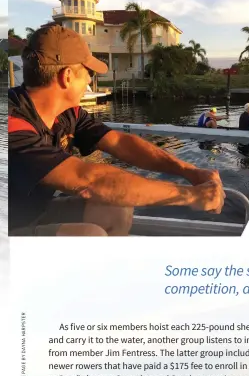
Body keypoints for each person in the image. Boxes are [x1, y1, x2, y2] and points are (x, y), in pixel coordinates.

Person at [8, 25, 225, 237]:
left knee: (117, 208)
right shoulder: (13, 123)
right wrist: (190, 196)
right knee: (89, 236)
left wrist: (188, 171)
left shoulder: (68, 113)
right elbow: (89, 180)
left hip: (36, 211)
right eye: (88, 72)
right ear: (67, 76)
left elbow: (120, 143)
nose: (89, 80)